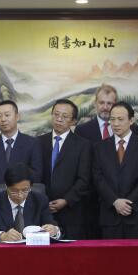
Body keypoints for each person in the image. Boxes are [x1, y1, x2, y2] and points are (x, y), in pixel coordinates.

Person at [75, 83, 138, 239]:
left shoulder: (132, 129)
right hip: (93, 200)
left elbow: (135, 163)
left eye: (109, 103)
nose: (105, 107)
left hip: (124, 202)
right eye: (101, 102)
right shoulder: (82, 130)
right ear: (95, 103)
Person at [92, 102, 138, 240]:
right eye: (112, 119)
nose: (115, 124)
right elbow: (97, 177)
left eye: (120, 119)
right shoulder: (99, 147)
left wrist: (129, 203)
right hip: (110, 216)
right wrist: (115, 201)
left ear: (131, 120)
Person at [38, 99, 91, 240]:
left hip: (71, 210)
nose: (59, 119)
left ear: (73, 121)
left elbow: (84, 179)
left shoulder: (83, 145)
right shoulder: (38, 142)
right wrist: (42, 200)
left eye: (65, 116)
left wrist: (66, 200)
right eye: (56, 114)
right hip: (43, 209)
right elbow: (35, 174)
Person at [0, 163, 60, 241]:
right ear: (6, 186)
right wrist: (2, 236)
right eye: (14, 191)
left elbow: (53, 226)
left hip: (33, 252)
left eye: (25, 190)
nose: (20, 195)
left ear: (31, 187)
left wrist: (54, 230)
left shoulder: (40, 200)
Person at [0, 100, 42, 184]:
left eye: (7, 115)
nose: (3, 119)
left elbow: (36, 177)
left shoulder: (32, 143)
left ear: (17, 117)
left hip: (22, 192)